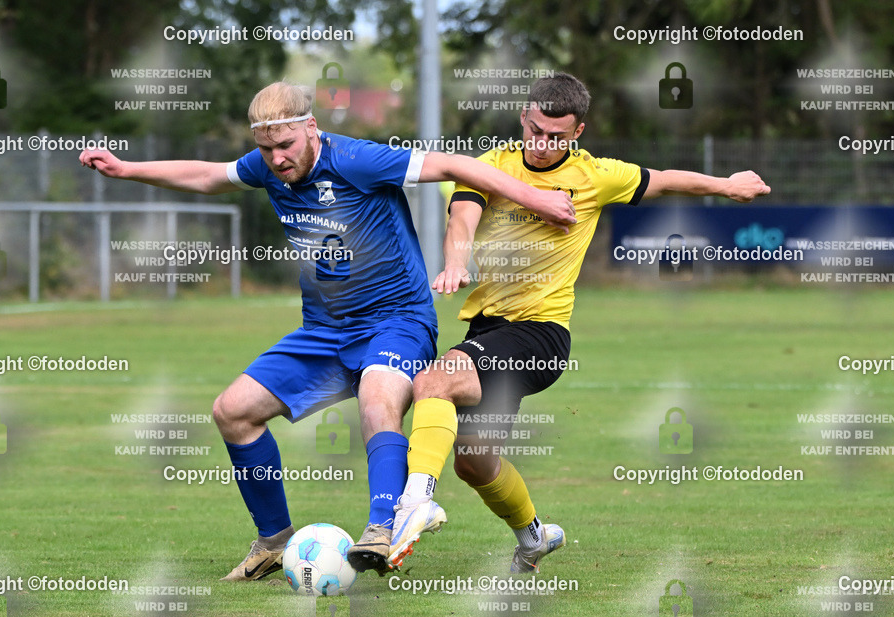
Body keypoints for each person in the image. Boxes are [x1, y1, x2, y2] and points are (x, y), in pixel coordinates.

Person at [79, 81, 575, 579]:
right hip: (324, 331)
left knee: (377, 403)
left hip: (396, 322)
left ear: (310, 128)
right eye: (265, 148)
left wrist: (537, 197)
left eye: (285, 146)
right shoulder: (267, 165)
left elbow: (454, 166)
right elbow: (209, 176)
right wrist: (126, 169)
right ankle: (273, 541)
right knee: (232, 412)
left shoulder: (357, 160)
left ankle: (382, 531)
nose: (275, 159)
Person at [388, 72, 770, 573]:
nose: (543, 144)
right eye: (537, 130)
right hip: (488, 330)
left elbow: (664, 178)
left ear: (578, 133)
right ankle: (534, 537)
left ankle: (415, 500)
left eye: (557, 137)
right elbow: (462, 218)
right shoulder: (490, 166)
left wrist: (725, 185)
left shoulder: (594, 175)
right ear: (524, 116)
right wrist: (456, 261)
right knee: (475, 462)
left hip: (541, 335)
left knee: (436, 379)